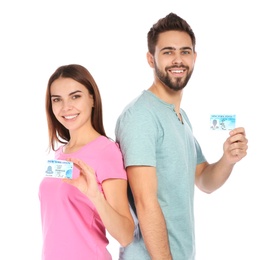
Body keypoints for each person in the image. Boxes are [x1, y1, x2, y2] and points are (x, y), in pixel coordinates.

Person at [115, 13, 248, 260]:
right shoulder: (141, 116)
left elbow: (204, 181)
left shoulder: (181, 117)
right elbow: (145, 203)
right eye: (167, 52)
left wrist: (228, 159)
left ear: (194, 58)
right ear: (150, 59)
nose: (178, 59)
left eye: (185, 52)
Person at [39, 64, 135, 260]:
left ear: (92, 98)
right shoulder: (59, 154)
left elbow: (125, 235)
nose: (66, 107)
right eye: (57, 99)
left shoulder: (106, 151)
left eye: (75, 96)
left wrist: (95, 196)